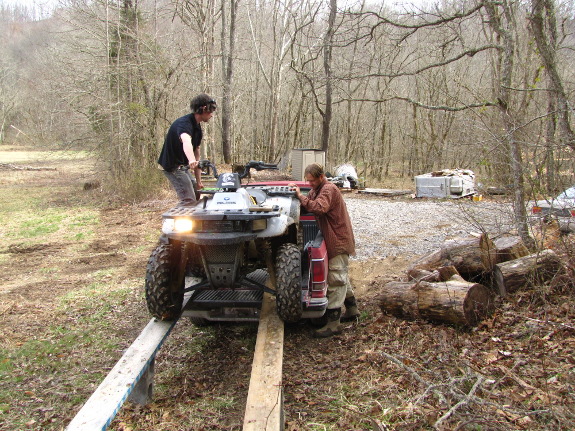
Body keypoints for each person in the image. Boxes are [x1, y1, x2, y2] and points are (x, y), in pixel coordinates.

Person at [289, 163, 359, 338]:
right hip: (334, 237)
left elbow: (319, 207)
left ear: (321, 177)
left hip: (338, 239)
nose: (309, 183)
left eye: (312, 180)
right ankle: (352, 309)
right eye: (307, 181)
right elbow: (308, 204)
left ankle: (333, 324)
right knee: (340, 275)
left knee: (336, 279)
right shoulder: (317, 189)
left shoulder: (328, 189)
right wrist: (296, 195)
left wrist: (299, 195)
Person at [158, 94, 217, 206]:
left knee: (196, 191)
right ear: (203, 109)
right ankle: (176, 222)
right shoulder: (184, 124)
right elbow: (186, 140)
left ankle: (194, 219)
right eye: (210, 111)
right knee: (188, 200)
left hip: (182, 166)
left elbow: (197, 151)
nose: (211, 115)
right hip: (172, 166)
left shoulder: (197, 127)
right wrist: (191, 160)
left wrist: (199, 180)